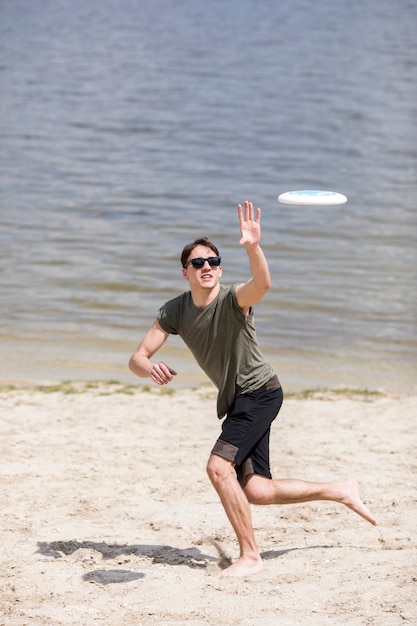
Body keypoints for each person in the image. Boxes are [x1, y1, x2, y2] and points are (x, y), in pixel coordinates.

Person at [128, 200, 377, 578]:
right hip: (240, 400)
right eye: (198, 263)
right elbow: (137, 357)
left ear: (220, 268)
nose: (206, 267)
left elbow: (262, 284)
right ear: (185, 273)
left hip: (259, 392)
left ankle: (251, 557)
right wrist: (149, 367)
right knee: (258, 490)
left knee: (217, 467)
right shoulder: (174, 311)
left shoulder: (233, 300)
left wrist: (253, 247)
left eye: (212, 261)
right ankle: (340, 489)